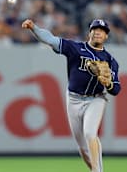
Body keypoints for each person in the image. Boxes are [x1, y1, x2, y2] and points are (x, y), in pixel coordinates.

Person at [22, 18, 121, 172]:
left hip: (96, 99)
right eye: (95, 30)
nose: (98, 33)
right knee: (82, 148)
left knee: (90, 134)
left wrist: (107, 83)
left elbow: (115, 89)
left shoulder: (110, 61)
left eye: (102, 31)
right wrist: (34, 28)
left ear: (106, 36)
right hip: (73, 99)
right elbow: (50, 39)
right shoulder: (75, 48)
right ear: (90, 32)